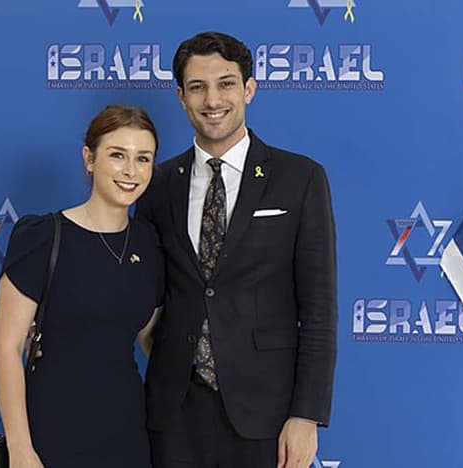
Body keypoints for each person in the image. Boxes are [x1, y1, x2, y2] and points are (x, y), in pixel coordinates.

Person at [135, 32, 338, 468]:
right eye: (197, 87)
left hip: (267, 415)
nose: (212, 100)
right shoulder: (157, 185)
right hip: (173, 414)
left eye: (226, 84)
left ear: (249, 88)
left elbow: (319, 309)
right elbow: (145, 294)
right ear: (181, 97)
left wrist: (306, 416)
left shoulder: (300, 179)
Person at [0, 104, 164, 468]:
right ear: (89, 158)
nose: (131, 171)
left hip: (128, 434)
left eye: (143, 158)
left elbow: (151, 337)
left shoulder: (149, 242)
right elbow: (7, 348)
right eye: (117, 155)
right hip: (51, 433)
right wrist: (21, 449)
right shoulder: (43, 237)